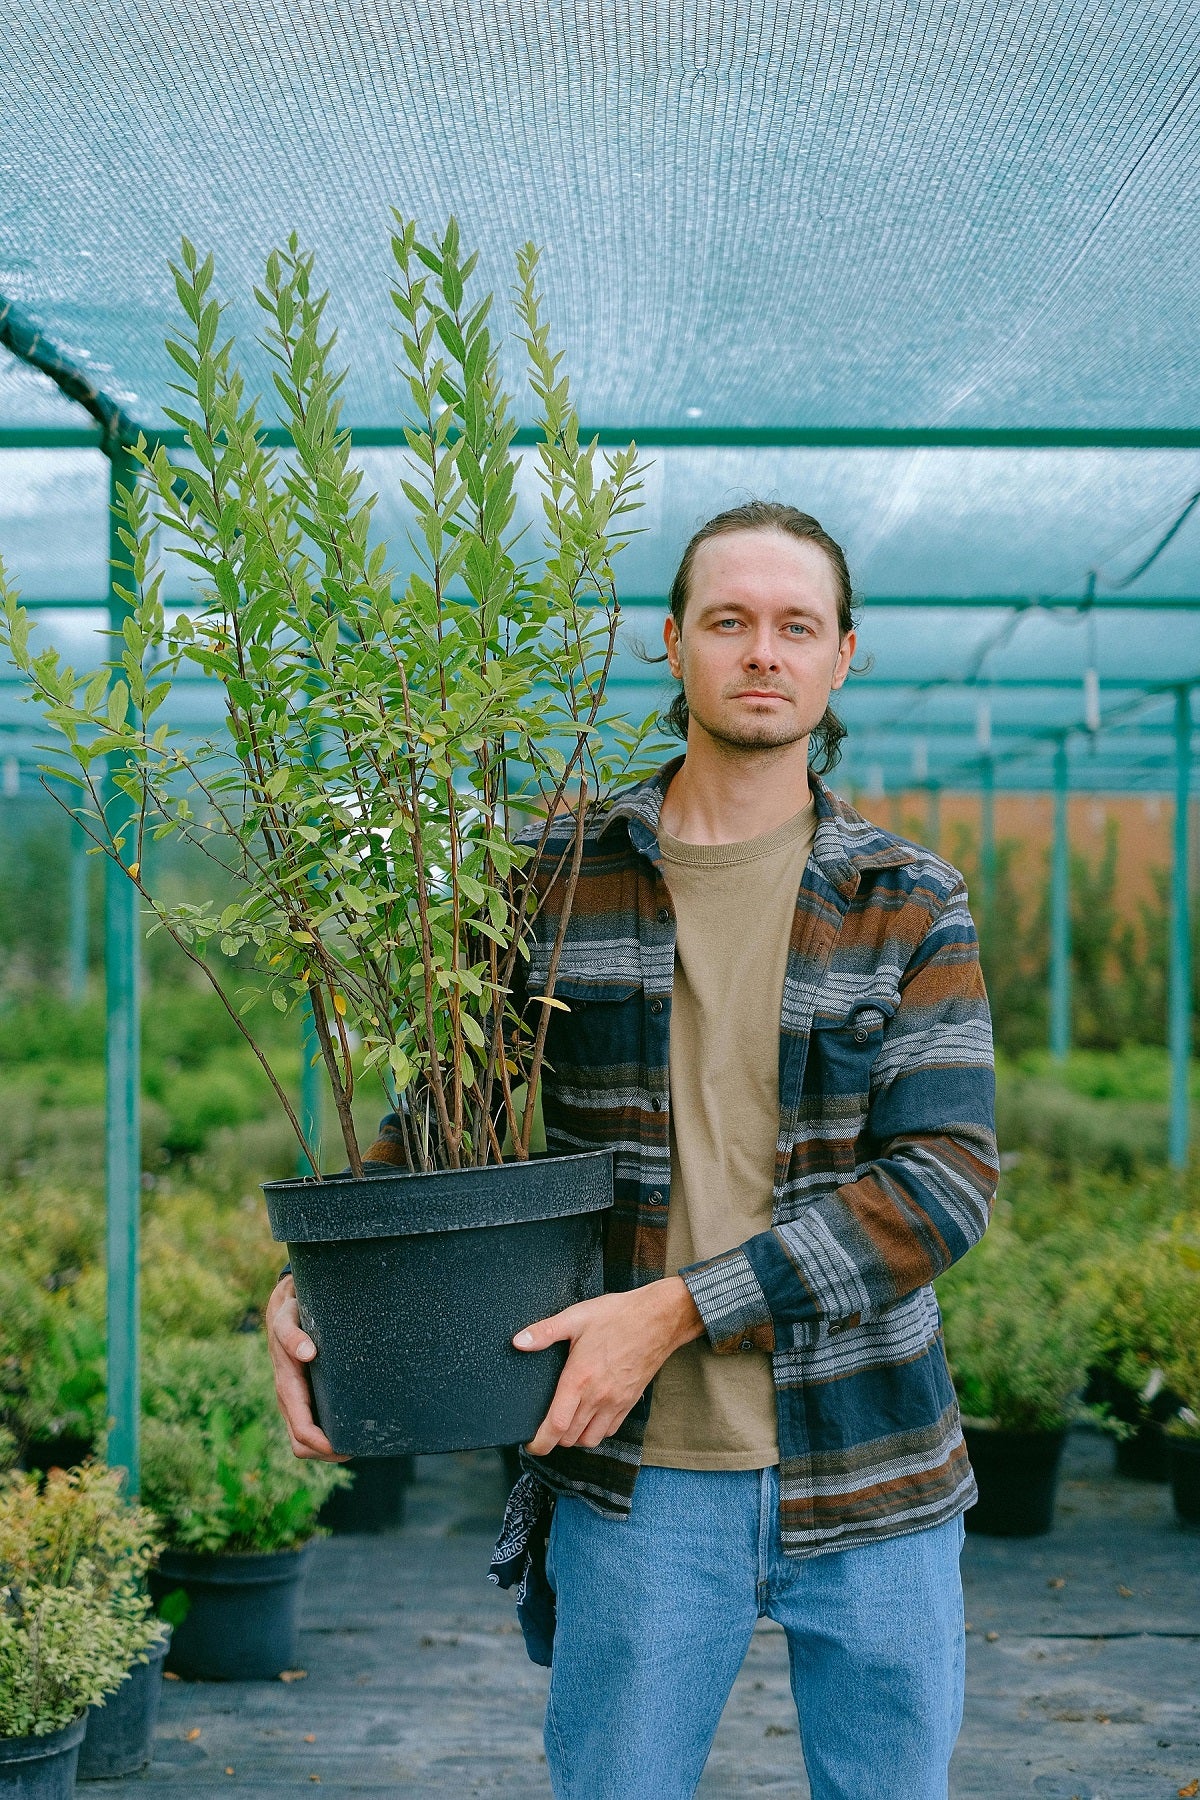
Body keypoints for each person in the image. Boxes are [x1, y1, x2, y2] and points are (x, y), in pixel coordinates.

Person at [267, 500, 998, 1800]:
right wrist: (321, 1295)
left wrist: (678, 1309)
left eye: (796, 626)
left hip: (873, 1463)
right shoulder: (554, 878)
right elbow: (449, 1122)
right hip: (633, 1476)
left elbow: (938, 1185)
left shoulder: (906, 900)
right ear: (672, 641)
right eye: (730, 621)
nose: (762, 651)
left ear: (842, 659)